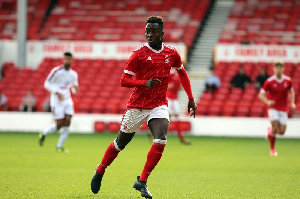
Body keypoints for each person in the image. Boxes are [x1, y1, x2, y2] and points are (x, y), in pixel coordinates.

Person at [90, 16, 197, 199]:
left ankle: (142, 180)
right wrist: (144, 83)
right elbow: (123, 81)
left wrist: (190, 97)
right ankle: (100, 170)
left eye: (154, 31)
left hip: (158, 104)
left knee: (161, 139)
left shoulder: (171, 53)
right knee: (120, 144)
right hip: (137, 105)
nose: (149, 34)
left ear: (162, 34)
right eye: (147, 31)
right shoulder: (138, 54)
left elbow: (182, 73)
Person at [39, 52, 79, 152]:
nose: (67, 61)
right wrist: (56, 92)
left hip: (67, 100)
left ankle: (59, 146)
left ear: (72, 60)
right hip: (56, 101)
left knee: (68, 121)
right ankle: (44, 133)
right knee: (59, 125)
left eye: (69, 59)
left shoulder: (73, 74)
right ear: (63, 59)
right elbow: (46, 84)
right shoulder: (56, 71)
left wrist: (76, 88)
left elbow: (75, 90)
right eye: (65, 59)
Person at [258, 61, 296, 156]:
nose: (278, 70)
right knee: (275, 128)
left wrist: (292, 103)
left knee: (282, 132)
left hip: (283, 108)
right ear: (273, 69)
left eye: (280, 68)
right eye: (276, 68)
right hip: (273, 107)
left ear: (283, 69)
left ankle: (270, 131)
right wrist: (267, 102)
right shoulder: (269, 81)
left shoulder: (288, 81)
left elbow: (292, 92)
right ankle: (272, 149)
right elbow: (261, 94)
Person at [167, 69, 191, 144]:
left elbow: (179, 86)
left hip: (173, 98)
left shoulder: (178, 74)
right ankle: (181, 138)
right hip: (171, 98)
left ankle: (154, 133)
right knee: (175, 117)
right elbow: (167, 84)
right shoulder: (171, 72)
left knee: (168, 117)